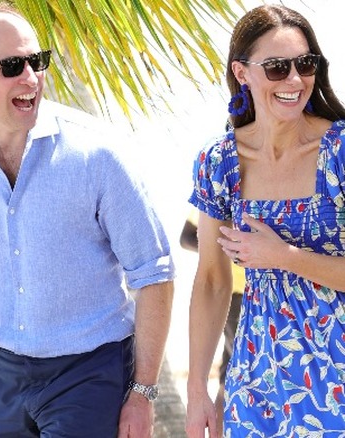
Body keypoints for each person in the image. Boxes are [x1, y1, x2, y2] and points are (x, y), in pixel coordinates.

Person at [0, 5, 175, 437]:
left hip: (92, 370)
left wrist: (142, 392)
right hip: (0, 376)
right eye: (13, 65)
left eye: (37, 62)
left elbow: (154, 274)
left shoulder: (97, 153)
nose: (31, 78)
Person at [186, 5, 345, 437]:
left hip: (338, 377)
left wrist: (284, 256)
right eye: (277, 68)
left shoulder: (340, 152)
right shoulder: (218, 162)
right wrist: (198, 387)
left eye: (305, 64)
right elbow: (212, 281)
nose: (295, 80)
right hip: (257, 378)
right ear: (242, 73)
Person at [179, 211, 245, 430]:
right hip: (234, 294)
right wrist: (223, 248)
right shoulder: (223, 187)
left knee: (231, 370)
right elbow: (186, 237)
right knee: (233, 373)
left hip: (265, 296)